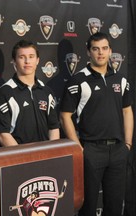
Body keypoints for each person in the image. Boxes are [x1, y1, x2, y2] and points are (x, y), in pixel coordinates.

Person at [60, 32, 133, 216]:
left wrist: (128, 144)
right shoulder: (78, 80)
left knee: (115, 206)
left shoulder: (121, 80)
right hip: (91, 151)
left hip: (118, 151)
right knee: (88, 207)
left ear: (110, 51)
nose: (100, 53)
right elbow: (65, 116)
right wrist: (79, 148)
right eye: (95, 49)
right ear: (88, 52)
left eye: (104, 48)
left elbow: (127, 111)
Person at [0, 40, 60, 146]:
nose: (27, 61)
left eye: (31, 56)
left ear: (37, 60)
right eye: (21, 57)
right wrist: (24, 157)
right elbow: (2, 134)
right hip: (20, 159)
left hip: (47, 158)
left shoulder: (46, 91)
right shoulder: (5, 92)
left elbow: (54, 128)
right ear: (14, 61)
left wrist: (52, 153)